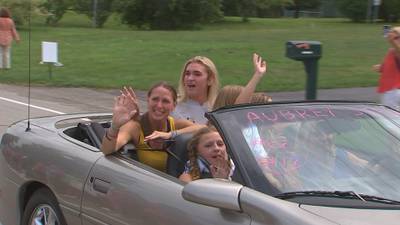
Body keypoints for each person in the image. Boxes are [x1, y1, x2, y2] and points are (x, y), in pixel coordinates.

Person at [101, 82, 204, 172]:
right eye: (155, 99)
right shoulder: (135, 127)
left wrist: (170, 135)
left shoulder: (176, 125)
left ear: (174, 105)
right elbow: (107, 149)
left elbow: (204, 129)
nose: (159, 105)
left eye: (165, 101)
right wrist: (115, 126)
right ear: (148, 100)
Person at [172, 56, 220, 124]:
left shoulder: (218, 110)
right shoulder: (173, 107)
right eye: (187, 74)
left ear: (210, 80)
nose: (190, 78)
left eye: (197, 74)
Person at [373, 26, 400, 110]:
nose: (391, 35)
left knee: (389, 115)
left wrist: (392, 41)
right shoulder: (392, 51)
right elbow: (391, 65)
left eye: (397, 37)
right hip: (389, 89)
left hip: (392, 90)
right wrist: (381, 67)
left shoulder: (397, 51)